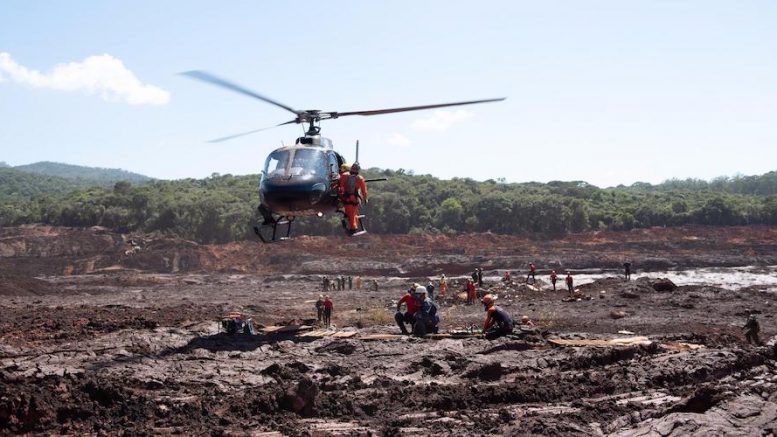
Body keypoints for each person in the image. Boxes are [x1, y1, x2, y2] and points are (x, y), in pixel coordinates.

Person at [339, 162, 368, 235]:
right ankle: (353, 228)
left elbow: (341, 186)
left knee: (351, 214)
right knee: (352, 214)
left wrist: (342, 194)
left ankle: (353, 228)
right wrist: (365, 198)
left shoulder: (344, 175)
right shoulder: (360, 178)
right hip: (354, 199)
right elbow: (364, 190)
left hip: (346, 198)